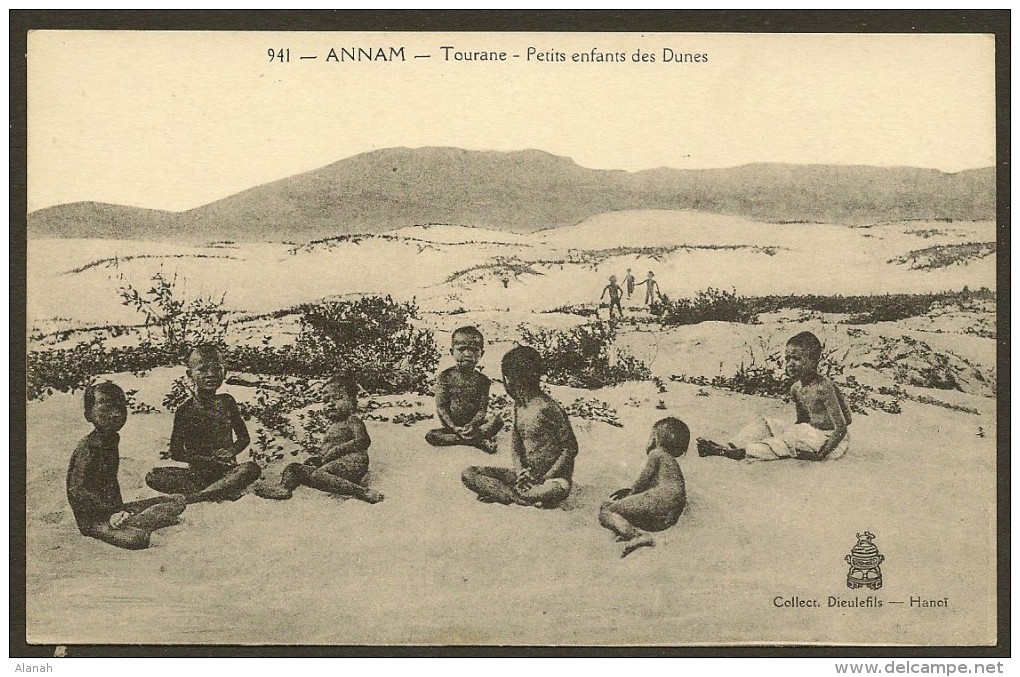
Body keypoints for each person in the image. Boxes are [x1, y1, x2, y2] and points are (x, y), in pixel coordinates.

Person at [697, 331, 852, 462]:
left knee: (787, 441)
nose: (790, 364)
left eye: (796, 359)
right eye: (787, 359)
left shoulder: (824, 387)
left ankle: (741, 453)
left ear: (813, 361)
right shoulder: (796, 388)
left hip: (831, 441)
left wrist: (819, 455)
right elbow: (802, 421)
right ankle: (734, 445)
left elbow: (842, 427)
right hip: (809, 432)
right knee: (766, 423)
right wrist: (792, 431)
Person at [67, 381, 186, 550]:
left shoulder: (111, 440)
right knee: (137, 539)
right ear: (88, 415)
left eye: (121, 407)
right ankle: (136, 522)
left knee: (177, 500)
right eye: (106, 408)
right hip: (93, 518)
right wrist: (110, 513)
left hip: (115, 509)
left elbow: (110, 481)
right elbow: (77, 489)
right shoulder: (88, 446)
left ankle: (133, 520)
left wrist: (119, 509)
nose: (116, 414)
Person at [462, 346, 578, 508]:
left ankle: (507, 494)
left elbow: (570, 448)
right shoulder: (519, 407)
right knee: (469, 473)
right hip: (525, 477)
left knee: (552, 489)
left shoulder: (547, 407)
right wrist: (520, 472)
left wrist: (544, 477)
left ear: (510, 380)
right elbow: (515, 446)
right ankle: (515, 495)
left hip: (552, 479)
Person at [146, 344, 261, 502]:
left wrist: (231, 451)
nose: (211, 375)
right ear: (190, 374)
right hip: (198, 474)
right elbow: (176, 451)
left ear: (224, 372)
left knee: (251, 468)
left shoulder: (227, 401)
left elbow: (244, 438)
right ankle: (218, 491)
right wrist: (206, 461)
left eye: (217, 369)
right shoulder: (185, 410)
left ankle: (199, 496)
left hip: (228, 471)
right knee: (153, 475)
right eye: (202, 369)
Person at [255, 374, 384, 503]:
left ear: (352, 402)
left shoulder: (352, 420)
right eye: (326, 400)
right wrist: (318, 459)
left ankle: (362, 492)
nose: (331, 404)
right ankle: (284, 488)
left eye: (338, 398)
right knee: (294, 468)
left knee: (317, 475)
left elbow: (363, 441)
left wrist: (336, 451)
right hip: (331, 466)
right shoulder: (334, 426)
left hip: (352, 462)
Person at [599, 417, 689, 557]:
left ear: (655, 439)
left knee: (607, 511)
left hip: (661, 500)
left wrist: (631, 494)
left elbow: (643, 480)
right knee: (624, 511)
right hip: (670, 513)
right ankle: (627, 530)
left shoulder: (657, 454)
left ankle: (636, 536)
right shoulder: (671, 461)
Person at [425, 326, 504, 454]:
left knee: (497, 421)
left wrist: (472, 425)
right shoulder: (445, 376)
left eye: (473, 350)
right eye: (461, 349)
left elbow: (482, 409)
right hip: (452, 426)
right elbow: (441, 407)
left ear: (481, 353)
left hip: (474, 426)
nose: (467, 354)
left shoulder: (483, 380)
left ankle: (467, 438)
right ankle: (475, 441)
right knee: (431, 435)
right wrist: (453, 426)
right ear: (452, 351)